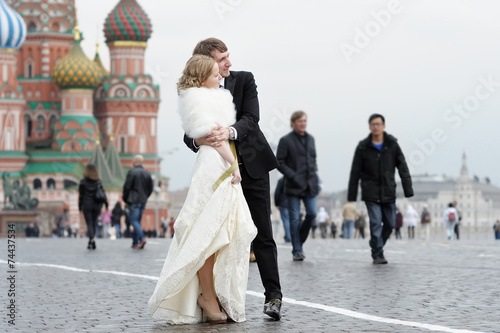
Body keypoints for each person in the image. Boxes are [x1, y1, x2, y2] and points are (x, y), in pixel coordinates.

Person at [149, 54, 257, 325]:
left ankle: (215, 293)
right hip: (214, 166)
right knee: (209, 233)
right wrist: (234, 165)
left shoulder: (211, 96)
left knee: (230, 230)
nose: (220, 75)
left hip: (220, 162)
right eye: (214, 72)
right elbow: (211, 137)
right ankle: (207, 296)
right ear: (202, 77)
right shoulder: (198, 100)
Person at [182, 38, 282, 319]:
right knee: (219, 238)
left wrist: (229, 132)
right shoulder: (195, 90)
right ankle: (217, 297)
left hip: (252, 168)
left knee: (262, 234)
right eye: (222, 59)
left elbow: (252, 118)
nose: (229, 63)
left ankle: (273, 296)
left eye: (228, 56)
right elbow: (189, 135)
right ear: (206, 62)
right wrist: (201, 138)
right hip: (218, 174)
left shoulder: (245, 80)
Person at [347, 114, 413, 264]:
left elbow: (402, 167)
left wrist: (408, 189)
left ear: (383, 126)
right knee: (376, 222)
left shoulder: (392, 145)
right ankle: (378, 253)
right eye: (373, 124)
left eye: (378, 124)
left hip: (388, 190)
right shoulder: (363, 147)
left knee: (390, 223)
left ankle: (377, 244)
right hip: (370, 191)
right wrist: (351, 195)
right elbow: (355, 172)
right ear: (370, 127)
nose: (376, 127)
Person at [276, 110, 320, 261]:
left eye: (305, 121)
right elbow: (279, 162)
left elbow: (313, 162)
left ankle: (298, 240)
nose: (303, 124)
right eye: (300, 121)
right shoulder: (286, 140)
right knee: (294, 219)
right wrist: (293, 176)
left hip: (310, 185)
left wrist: (315, 180)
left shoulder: (311, 139)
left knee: (312, 214)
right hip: (293, 185)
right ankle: (297, 250)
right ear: (293, 123)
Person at [122, 155, 153, 249]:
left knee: (134, 221)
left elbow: (127, 187)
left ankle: (142, 238)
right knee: (137, 221)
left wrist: (125, 199)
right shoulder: (147, 173)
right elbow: (150, 188)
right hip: (143, 200)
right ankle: (135, 242)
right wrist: (145, 196)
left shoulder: (132, 172)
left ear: (135, 162)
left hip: (133, 201)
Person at [79, 164, 108, 250]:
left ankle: (91, 239)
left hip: (86, 205)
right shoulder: (98, 181)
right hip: (96, 205)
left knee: (89, 223)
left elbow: (81, 195)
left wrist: (79, 207)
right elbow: (103, 193)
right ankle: (91, 239)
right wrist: (106, 204)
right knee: (94, 222)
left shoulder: (83, 182)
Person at [274, 177, 291, 242]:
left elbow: (277, 192)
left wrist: (277, 203)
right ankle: (290, 236)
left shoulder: (281, 180)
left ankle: (288, 236)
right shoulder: (292, 179)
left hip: (282, 204)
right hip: (291, 204)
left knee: (285, 220)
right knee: (291, 220)